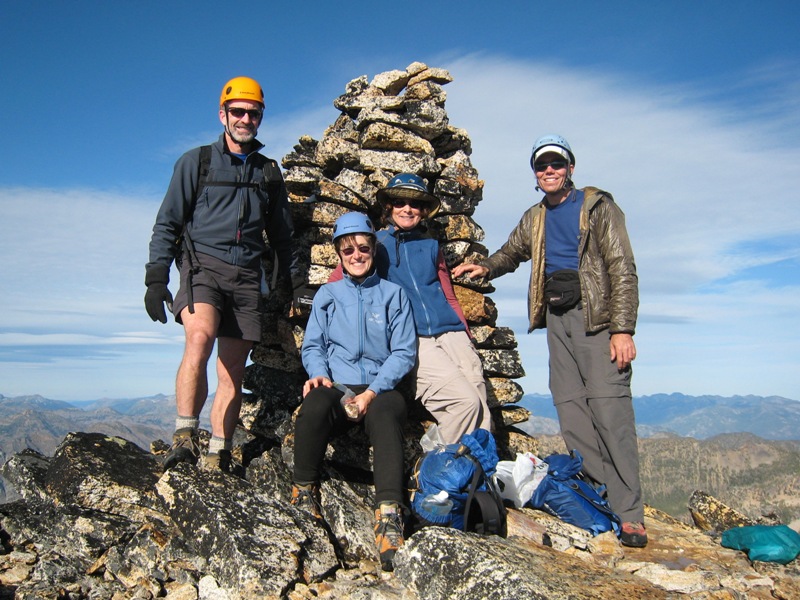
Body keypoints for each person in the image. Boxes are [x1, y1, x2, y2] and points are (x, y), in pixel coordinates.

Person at [452, 134, 647, 548]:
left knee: (610, 412)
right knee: (571, 409)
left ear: (570, 168)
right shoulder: (535, 217)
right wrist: (483, 267)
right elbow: (511, 253)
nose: (549, 171)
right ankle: (600, 492)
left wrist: (623, 329)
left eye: (556, 163)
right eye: (542, 166)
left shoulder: (598, 209)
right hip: (557, 319)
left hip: (597, 321)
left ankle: (630, 514)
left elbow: (622, 268)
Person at [145, 76, 296, 473]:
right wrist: (156, 278)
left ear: (260, 117)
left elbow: (282, 235)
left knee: (231, 368)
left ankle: (218, 452)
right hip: (202, 267)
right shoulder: (196, 162)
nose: (245, 119)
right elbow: (167, 224)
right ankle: (184, 437)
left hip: (247, 275)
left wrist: (292, 282)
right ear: (223, 114)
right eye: (238, 112)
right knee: (199, 337)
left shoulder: (268, 172)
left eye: (253, 113)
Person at [292, 212, 416, 572]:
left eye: (363, 247)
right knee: (314, 405)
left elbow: (403, 351)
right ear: (338, 253)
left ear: (374, 249)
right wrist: (318, 375)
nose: (356, 254)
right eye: (348, 249)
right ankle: (303, 493)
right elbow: (313, 345)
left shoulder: (393, 295)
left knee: (387, 413)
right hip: (339, 383)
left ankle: (389, 517)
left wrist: (373, 393)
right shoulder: (328, 295)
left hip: (381, 385)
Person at [328, 173, 491, 445]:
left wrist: (465, 333)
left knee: (481, 404)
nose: (407, 209)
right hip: (414, 338)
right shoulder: (375, 244)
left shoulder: (430, 245)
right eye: (400, 202)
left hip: (452, 333)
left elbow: (447, 294)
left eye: (415, 205)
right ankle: (438, 467)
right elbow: (339, 278)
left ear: (424, 211)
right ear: (389, 207)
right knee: (465, 403)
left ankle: (477, 476)